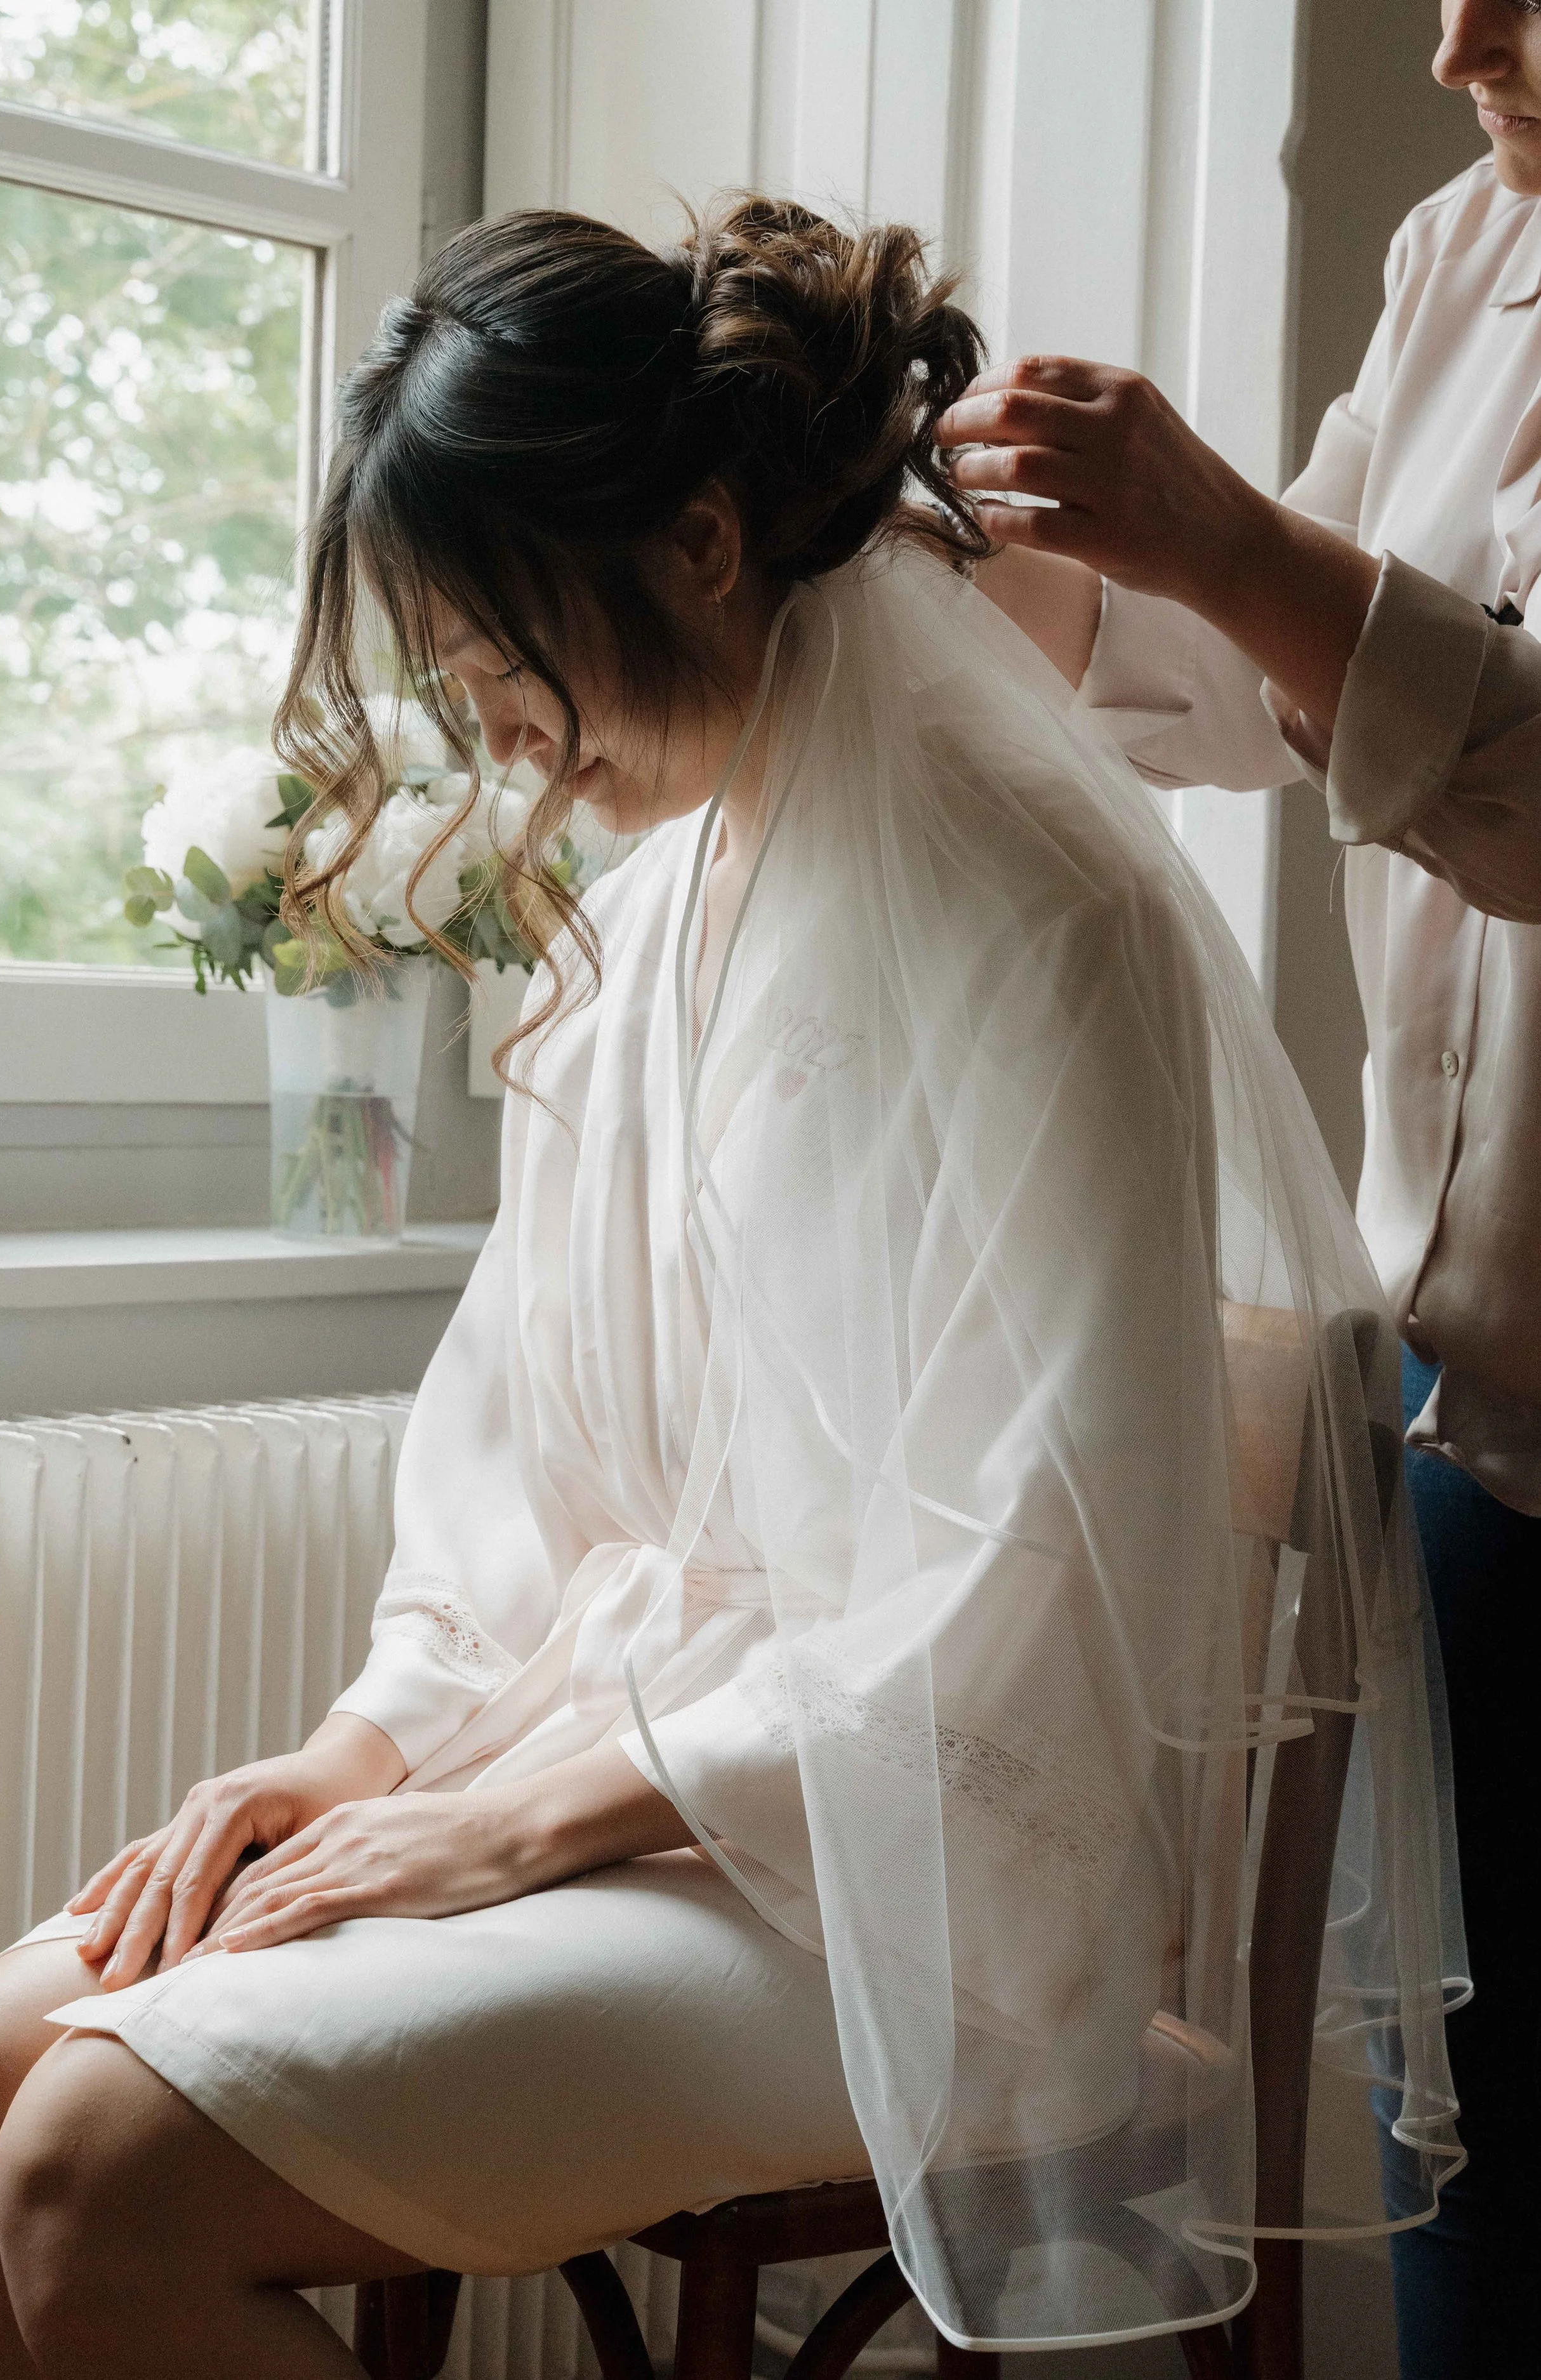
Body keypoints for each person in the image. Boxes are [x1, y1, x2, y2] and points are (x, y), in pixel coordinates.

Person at [0, 198, 1462, 2380]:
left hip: (924, 1873)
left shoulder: (1042, 918)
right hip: (628, 1777)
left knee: (100, 2163)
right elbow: (524, 1471)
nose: (499, 740)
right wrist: (353, 1756)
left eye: (506, 656)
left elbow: (1010, 1602)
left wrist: (508, 1821)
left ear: (699, 542)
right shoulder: (662, 906)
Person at [935, 8, 1541, 2374]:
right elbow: (1261, 675)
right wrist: (1017, 572)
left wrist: (1221, 532)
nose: (1456, 39)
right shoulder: (1459, 244)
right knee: (1471, 2170)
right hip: (1466, 1419)